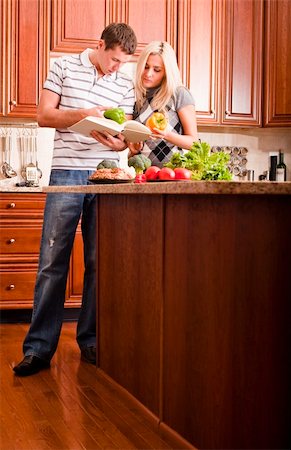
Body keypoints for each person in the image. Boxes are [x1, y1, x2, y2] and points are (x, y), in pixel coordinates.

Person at [13, 23, 137, 376]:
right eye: (113, 59)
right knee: (53, 263)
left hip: (107, 176)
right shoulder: (64, 67)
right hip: (66, 173)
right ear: (100, 45)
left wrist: (121, 143)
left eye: (122, 63)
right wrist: (84, 115)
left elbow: (125, 134)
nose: (116, 68)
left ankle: (91, 341)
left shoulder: (125, 82)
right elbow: (43, 116)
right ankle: (38, 349)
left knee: (100, 263)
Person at [127, 41, 198, 166]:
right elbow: (135, 153)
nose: (149, 74)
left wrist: (166, 135)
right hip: (144, 176)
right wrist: (133, 150)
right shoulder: (137, 99)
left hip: (172, 174)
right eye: (146, 67)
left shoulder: (179, 94)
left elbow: (194, 143)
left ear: (166, 72)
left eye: (157, 70)